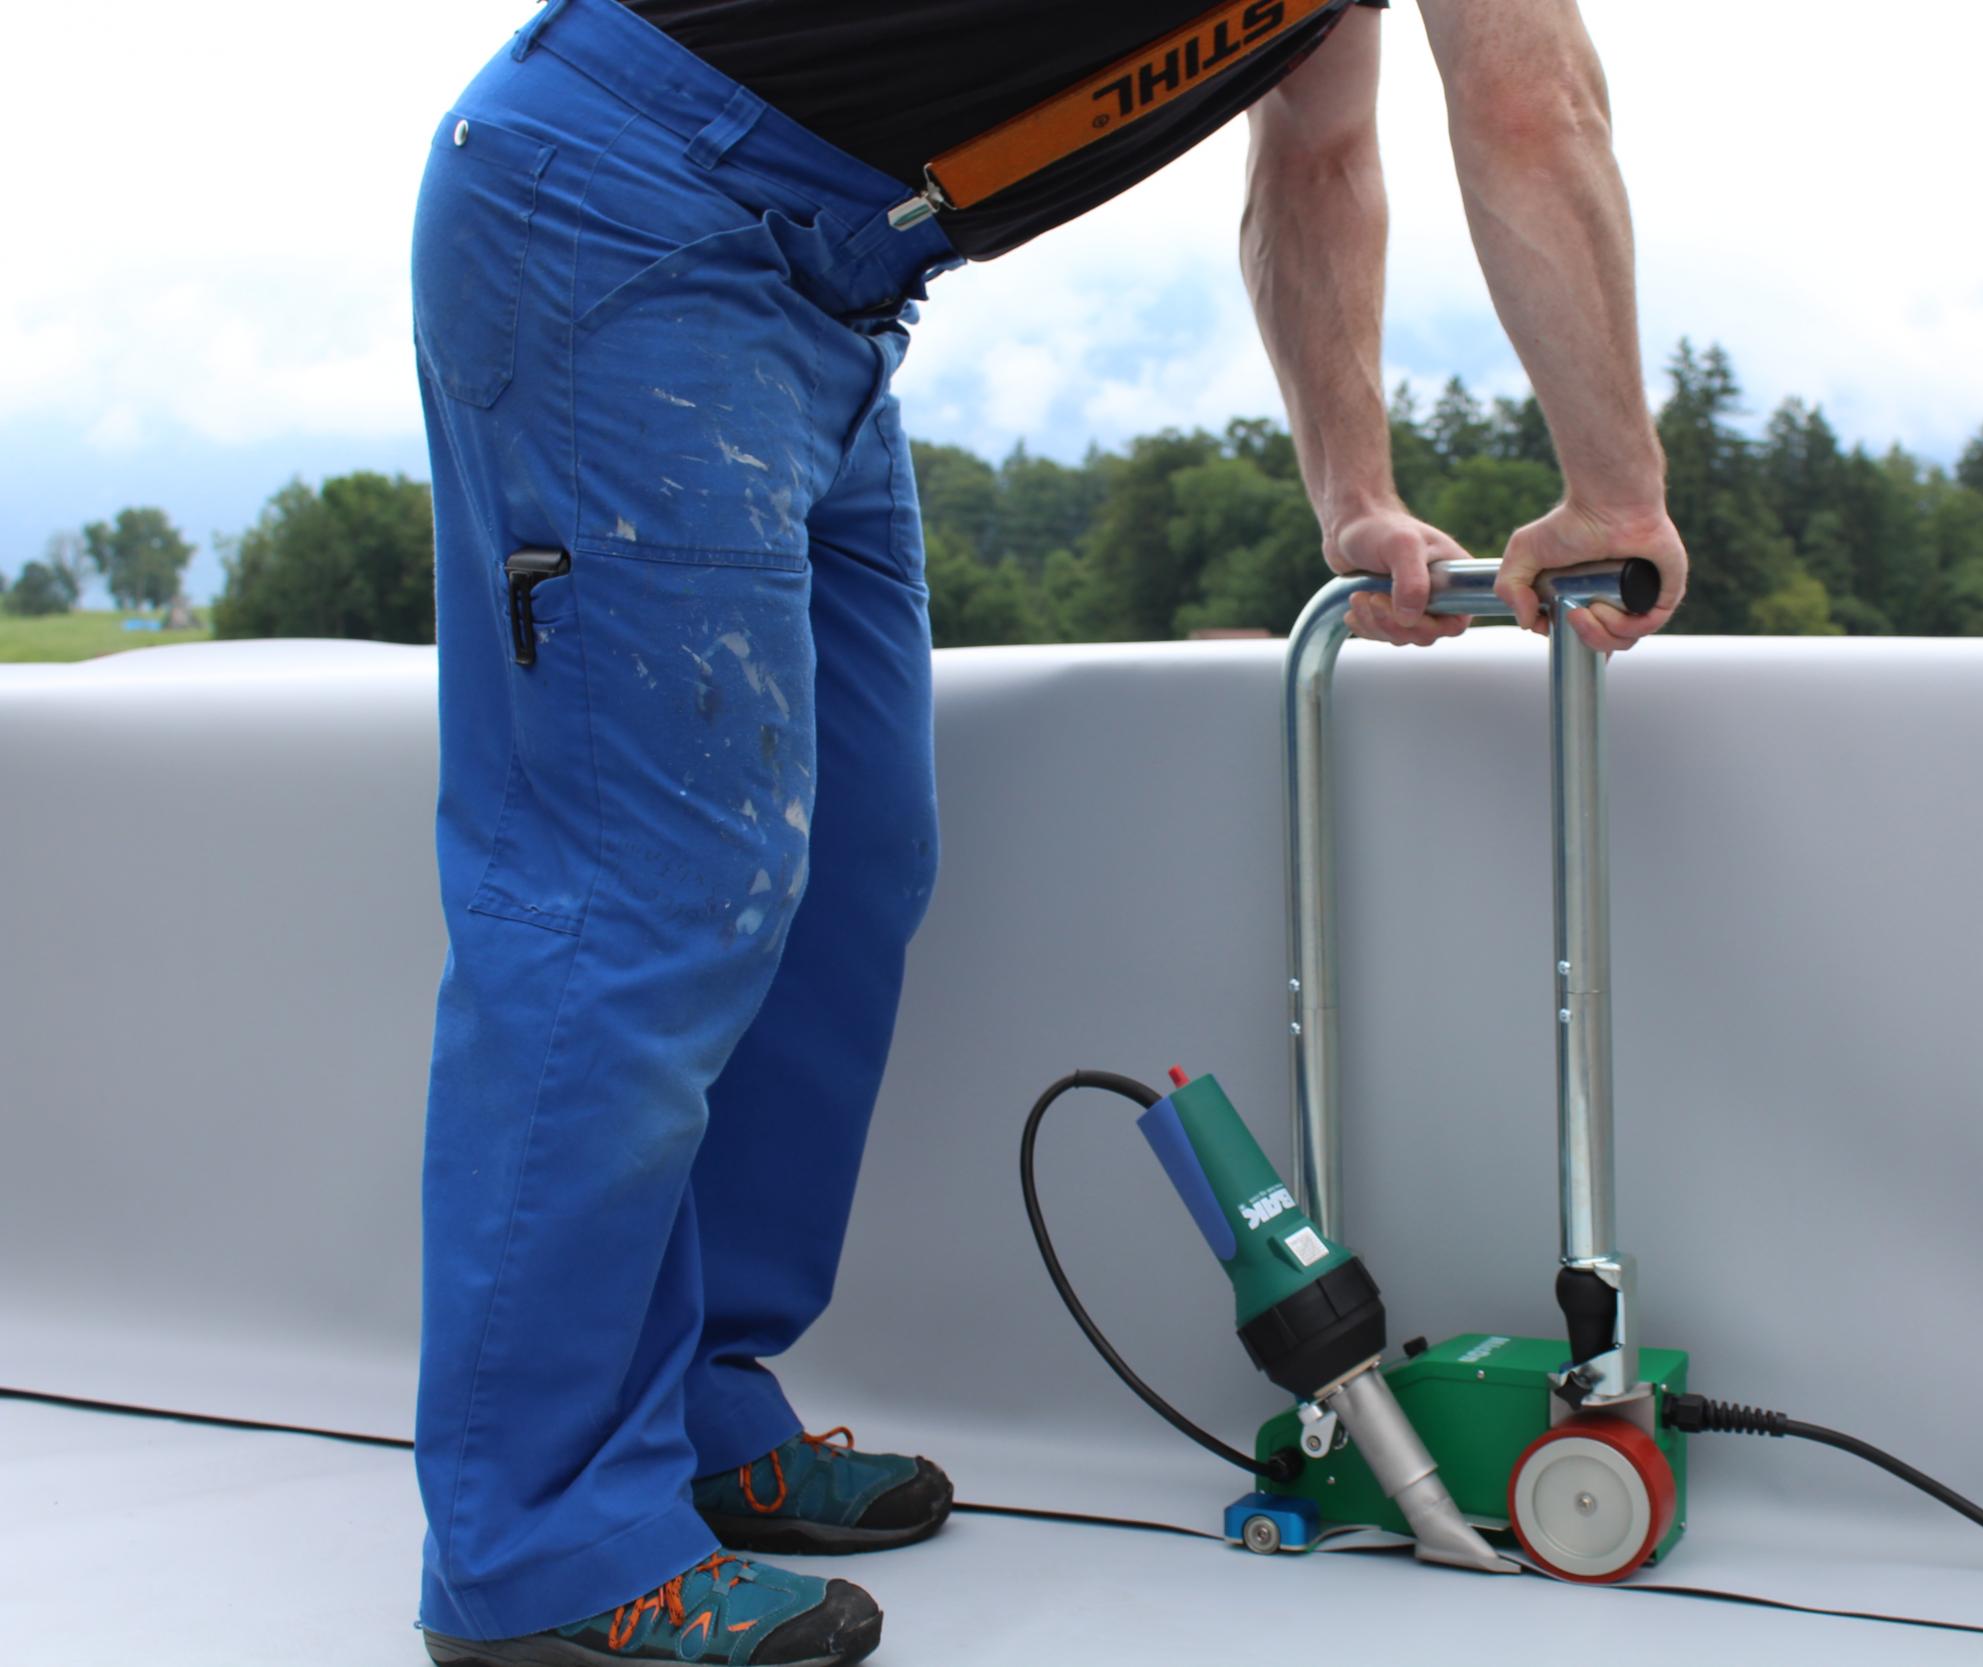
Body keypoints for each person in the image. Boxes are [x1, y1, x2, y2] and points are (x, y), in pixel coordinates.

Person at [409, 1, 1690, 1662]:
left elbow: (1319, 148)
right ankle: (541, 1544)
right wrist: (1617, 491)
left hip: (828, 280)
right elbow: (1532, 100)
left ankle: (697, 1407)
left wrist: (1356, 497)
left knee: (856, 861)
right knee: (646, 898)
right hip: (632, 216)